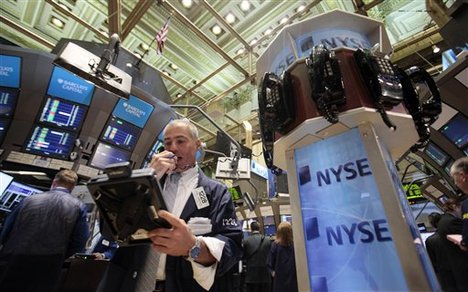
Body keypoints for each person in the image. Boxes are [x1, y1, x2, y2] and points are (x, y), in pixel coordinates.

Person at [146, 118, 243, 291]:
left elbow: (232, 247)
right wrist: (147, 178)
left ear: (198, 145)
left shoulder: (217, 192)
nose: (173, 148)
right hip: (141, 284)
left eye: (181, 141)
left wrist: (193, 247)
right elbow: (112, 230)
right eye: (167, 143)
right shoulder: (150, 183)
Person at [0, 169, 89, 291]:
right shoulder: (79, 206)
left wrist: (7, 247)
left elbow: (7, 228)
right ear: (73, 187)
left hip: (14, 257)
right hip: (48, 263)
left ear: (54, 182)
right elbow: (80, 242)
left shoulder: (29, 199)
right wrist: (60, 255)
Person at [436, 198, 468, 292]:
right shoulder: (452, 221)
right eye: (461, 209)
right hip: (464, 264)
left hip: (456, 265)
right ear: (454, 207)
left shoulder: (443, 221)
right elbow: (465, 238)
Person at [267, 221, 298, 292]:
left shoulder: (275, 245)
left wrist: (273, 273)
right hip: (293, 280)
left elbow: (269, 263)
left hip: (279, 280)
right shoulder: (295, 245)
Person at [242, 221, 272, 292]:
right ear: (259, 228)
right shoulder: (268, 241)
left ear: (251, 229)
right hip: (265, 275)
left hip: (251, 276)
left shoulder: (246, 241)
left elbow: (243, 257)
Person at [425, 212, 451, 289]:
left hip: (444, 273)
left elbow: (432, 261)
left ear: (432, 224)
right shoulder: (452, 234)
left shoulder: (430, 240)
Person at [450, 156, 468, 251]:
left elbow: (466, 243)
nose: (456, 184)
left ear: (462, 176)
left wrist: (461, 242)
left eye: (454, 178)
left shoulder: (466, 204)